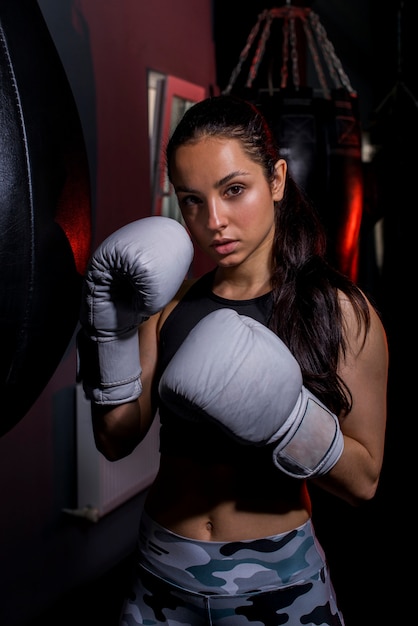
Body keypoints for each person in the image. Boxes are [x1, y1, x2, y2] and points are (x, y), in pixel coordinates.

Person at [77, 94, 388, 626]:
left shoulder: (340, 312)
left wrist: (291, 421)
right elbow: (115, 438)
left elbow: (364, 481)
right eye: (191, 200)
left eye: (234, 189)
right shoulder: (170, 308)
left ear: (277, 180)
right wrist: (113, 328)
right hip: (161, 570)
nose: (213, 220)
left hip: (277, 581)